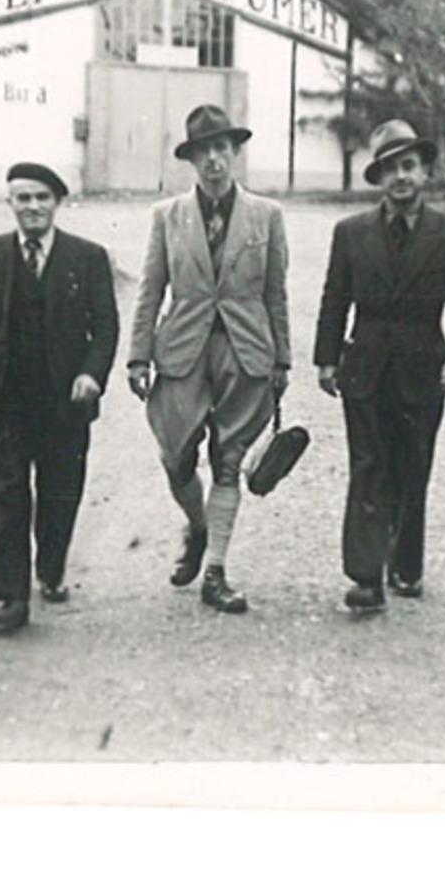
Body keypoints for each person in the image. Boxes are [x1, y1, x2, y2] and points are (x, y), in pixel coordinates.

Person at [313, 119, 445, 612]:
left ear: (425, 172)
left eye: (408, 166)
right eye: (390, 170)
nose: (400, 177)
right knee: (368, 466)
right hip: (364, 365)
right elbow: (334, 299)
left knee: (413, 465)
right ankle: (366, 577)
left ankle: (406, 563)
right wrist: (327, 358)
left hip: (423, 367)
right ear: (380, 179)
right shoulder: (351, 233)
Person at [127, 105, 291, 614]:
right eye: (204, 152)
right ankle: (198, 529)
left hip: (244, 353)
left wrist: (281, 359)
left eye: (222, 149)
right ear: (192, 160)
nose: (214, 160)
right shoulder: (168, 217)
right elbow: (151, 288)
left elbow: (275, 292)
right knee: (176, 458)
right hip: (181, 352)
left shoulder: (267, 216)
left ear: (235, 153)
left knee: (229, 459)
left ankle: (215, 571)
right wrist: (137, 357)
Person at [0, 162, 118, 631]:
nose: (32, 207)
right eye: (23, 198)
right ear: (10, 203)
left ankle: (50, 569)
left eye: (41, 198)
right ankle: (11, 595)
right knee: (4, 495)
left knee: (59, 492)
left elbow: (106, 327)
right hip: (5, 401)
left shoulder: (88, 257)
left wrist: (91, 374)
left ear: (57, 203)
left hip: (64, 401)